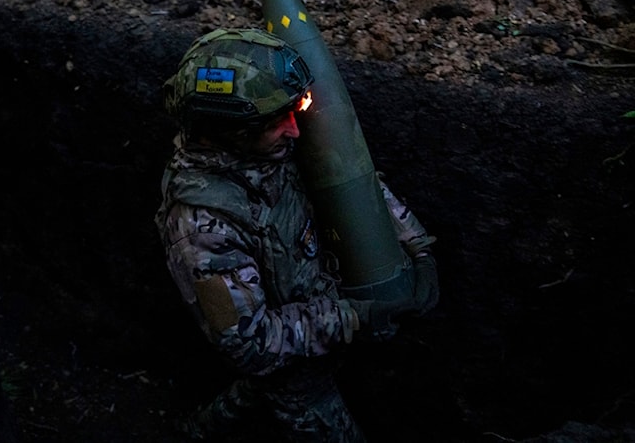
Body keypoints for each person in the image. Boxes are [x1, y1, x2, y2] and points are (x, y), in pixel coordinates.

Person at [153, 27, 439, 442]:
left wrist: (417, 245)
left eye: (296, 109)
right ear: (233, 132)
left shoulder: (271, 144)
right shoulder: (201, 225)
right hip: (291, 368)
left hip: (320, 315)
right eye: (276, 122)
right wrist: (351, 317)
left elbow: (351, 183)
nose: (296, 129)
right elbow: (249, 344)